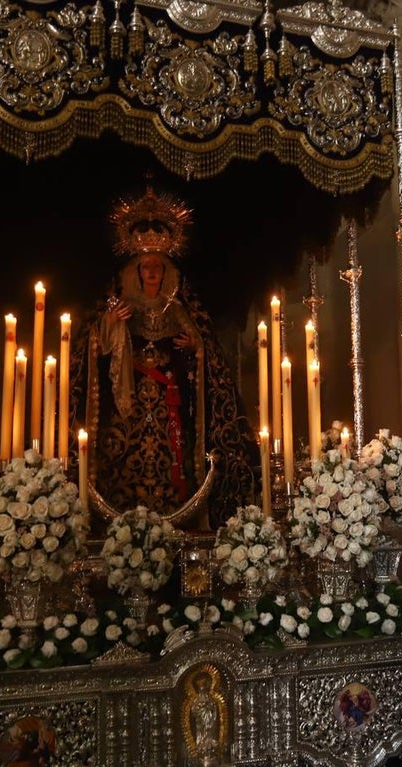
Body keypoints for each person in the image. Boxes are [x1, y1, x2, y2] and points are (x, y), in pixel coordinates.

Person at [76, 187, 259, 528]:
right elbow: (94, 347)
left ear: (165, 272)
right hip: (126, 403)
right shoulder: (119, 305)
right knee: (122, 454)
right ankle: (121, 515)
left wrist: (194, 348)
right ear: (136, 271)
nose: (151, 274)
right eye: (145, 268)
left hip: (167, 402)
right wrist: (114, 323)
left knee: (172, 454)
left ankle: (174, 514)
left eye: (157, 268)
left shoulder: (175, 307)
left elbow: (201, 348)